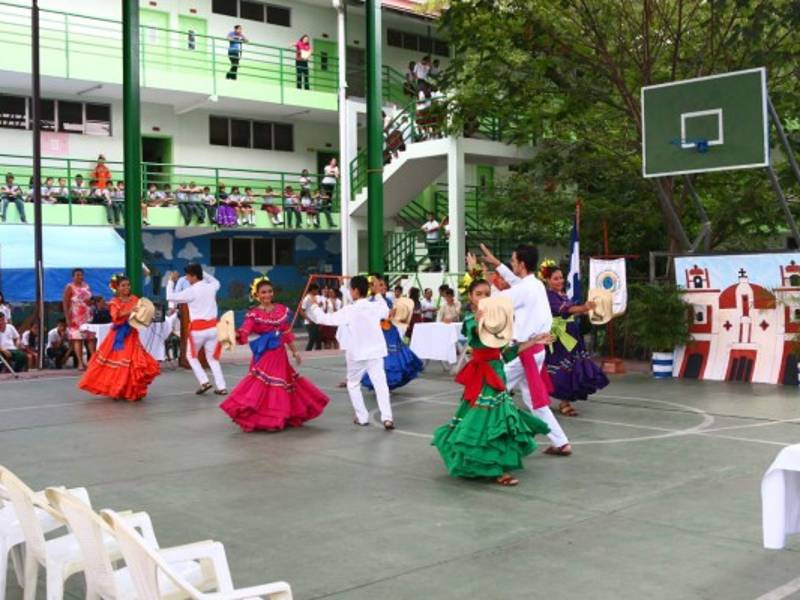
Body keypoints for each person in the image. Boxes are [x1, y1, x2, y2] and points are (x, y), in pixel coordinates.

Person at [432, 278, 551, 486]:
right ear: (470, 297)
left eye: (487, 294)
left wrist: (534, 341)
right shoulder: (470, 319)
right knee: (486, 420)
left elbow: (507, 353)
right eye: (478, 294)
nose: (483, 297)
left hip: (497, 374)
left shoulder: (499, 321)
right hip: (482, 376)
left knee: (494, 421)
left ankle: (491, 463)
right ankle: (496, 469)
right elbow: (475, 330)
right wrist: (481, 318)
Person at [477, 244, 572, 456]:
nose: (511, 263)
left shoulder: (525, 288)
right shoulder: (535, 284)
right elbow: (514, 283)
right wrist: (497, 264)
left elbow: (494, 303)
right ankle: (561, 442)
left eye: (512, 260)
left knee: (490, 391)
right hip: (534, 351)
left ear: (521, 263)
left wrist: (477, 283)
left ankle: (480, 440)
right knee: (533, 400)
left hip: (524, 352)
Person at [220, 277, 329, 432]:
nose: (267, 295)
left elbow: (286, 332)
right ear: (257, 295)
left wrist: (295, 351)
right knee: (268, 386)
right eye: (263, 292)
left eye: (269, 291)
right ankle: (270, 420)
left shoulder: (280, 310)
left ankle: (277, 418)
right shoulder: (254, 314)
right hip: (265, 354)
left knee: (278, 386)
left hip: (280, 353)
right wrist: (233, 335)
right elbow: (245, 330)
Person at [303, 275, 395, 429]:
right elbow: (386, 310)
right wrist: (378, 292)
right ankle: (387, 418)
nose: (350, 292)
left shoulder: (350, 310)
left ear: (356, 291)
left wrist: (313, 306)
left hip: (357, 353)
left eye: (351, 289)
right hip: (376, 352)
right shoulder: (377, 306)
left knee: (353, 384)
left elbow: (325, 319)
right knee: (381, 385)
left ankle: (362, 417)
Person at [540, 263, 609, 417]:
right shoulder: (549, 296)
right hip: (560, 338)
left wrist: (589, 310)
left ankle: (564, 400)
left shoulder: (563, 295)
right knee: (562, 368)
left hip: (572, 335)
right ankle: (561, 401)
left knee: (572, 366)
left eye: (561, 278)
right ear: (548, 281)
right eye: (555, 278)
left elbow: (573, 311)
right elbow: (567, 310)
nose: (560, 281)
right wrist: (583, 308)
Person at [78, 274, 160, 401]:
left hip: (132, 333)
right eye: (123, 285)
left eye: (128, 285)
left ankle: (131, 390)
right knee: (121, 360)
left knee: (133, 362)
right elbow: (116, 316)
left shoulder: (134, 299)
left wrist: (146, 313)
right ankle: (118, 389)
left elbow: (142, 312)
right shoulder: (114, 302)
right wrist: (132, 310)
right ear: (117, 288)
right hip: (118, 336)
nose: (126, 287)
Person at [166, 263, 227, 395]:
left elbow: (170, 296)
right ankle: (221, 387)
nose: (186, 278)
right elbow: (216, 281)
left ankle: (204, 381)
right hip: (213, 329)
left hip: (198, 330)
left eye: (188, 276)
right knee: (213, 359)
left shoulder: (191, 291)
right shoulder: (211, 287)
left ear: (194, 276)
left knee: (191, 357)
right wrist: (202, 273)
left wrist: (171, 281)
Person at [362, 276, 423, 391]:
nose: (384, 287)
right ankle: (383, 383)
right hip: (381, 334)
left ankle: (389, 382)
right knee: (384, 359)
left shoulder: (388, 300)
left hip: (392, 332)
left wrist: (399, 318)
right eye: (380, 285)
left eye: (384, 285)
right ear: (373, 287)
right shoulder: (370, 302)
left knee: (395, 356)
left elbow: (394, 317)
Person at [62, 268, 96, 370]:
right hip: (75, 315)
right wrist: (67, 318)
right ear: (73, 276)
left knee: (90, 338)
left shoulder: (86, 286)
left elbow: (89, 299)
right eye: (77, 275)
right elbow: (65, 302)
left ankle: (93, 361)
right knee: (78, 339)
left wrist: (91, 302)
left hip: (87, 314)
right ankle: (80, 363)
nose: (80, 277)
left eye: (81, 275)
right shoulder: (69, 287)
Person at [303, 284, 324, 351]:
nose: (317, 291)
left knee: (318, 339)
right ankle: (307, 352)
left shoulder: (316, 297)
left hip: (316, 321)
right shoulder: (306, 299)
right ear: (312, 290)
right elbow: (301, 310)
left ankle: (318, 352)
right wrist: (308, 320)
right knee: (312, 338)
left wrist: (319, 305)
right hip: (309, 322)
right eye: (316, 290)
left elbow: (315, 308)